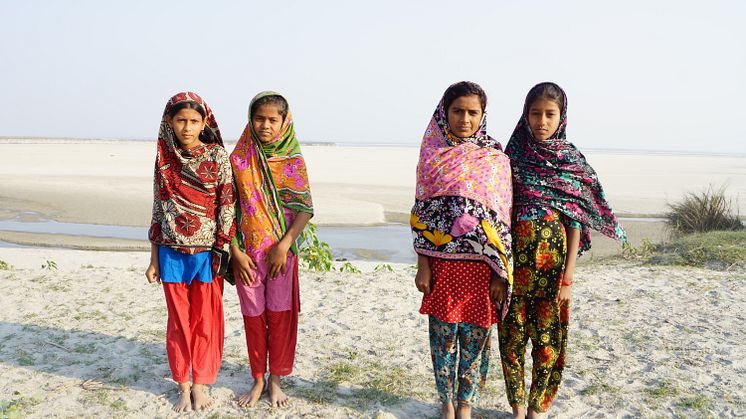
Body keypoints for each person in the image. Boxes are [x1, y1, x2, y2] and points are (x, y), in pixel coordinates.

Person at [498, 82, 627, 418]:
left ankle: (536, 407)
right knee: (511, 338)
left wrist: (568, 276)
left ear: (561, 117)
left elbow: (575, 223)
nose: (542, 121)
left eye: (549, 114)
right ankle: (515, 405)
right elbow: (498, 210)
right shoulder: (512, 158)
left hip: (553, 270)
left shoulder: (570, 161)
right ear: (525, 116)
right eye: (535, 113)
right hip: (513, 268)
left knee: (548, 341)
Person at [412, 81, 513, 419]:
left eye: (473, 112)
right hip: (442, 265)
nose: (464, 119)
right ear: (445, 112)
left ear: (483, 116)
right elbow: (422, 213)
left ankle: (466, 403)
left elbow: (503, 219)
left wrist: (500, 272)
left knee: (475, 338)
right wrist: (423, 264)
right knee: (442, 338)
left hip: (482, 269)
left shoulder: (496, 159)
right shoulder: (431, 155)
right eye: (457, 111)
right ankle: (446, 402)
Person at [145, 92, 236, 412]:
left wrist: (221, 251)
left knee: (206, 321)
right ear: (169, 122)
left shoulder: (216, 156)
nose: (187, 127)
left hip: (207, 255)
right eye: (181, 120)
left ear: (204, 123)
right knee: (179, 322)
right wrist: (153, 258)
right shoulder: (163, 158)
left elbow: (227, 205)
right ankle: (183, 385)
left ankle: (202, 383)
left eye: (194, 121)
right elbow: (158, 209)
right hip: (170, 253)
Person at [229, 91, 313, 408]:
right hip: (247, 256)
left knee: (280, 317)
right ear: (250, 120)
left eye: (272, 120)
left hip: (281, 256)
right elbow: (226, 208)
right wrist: (235, 252)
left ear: (284, 122)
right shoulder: (238, 160)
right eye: (259, 118)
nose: (265, 125)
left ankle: (275, 380)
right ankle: (258, 378)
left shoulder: (292, 161)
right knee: (253, 317)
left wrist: (285, 245)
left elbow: (304, 208)